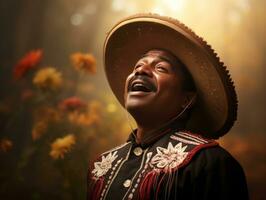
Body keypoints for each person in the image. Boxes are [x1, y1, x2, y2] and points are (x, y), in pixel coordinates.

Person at [87, 14, 249, 200]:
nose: (140, 70)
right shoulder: (99, 167)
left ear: (187, 99)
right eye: (137, 66)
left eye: (161, 68)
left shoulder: (211, 164)